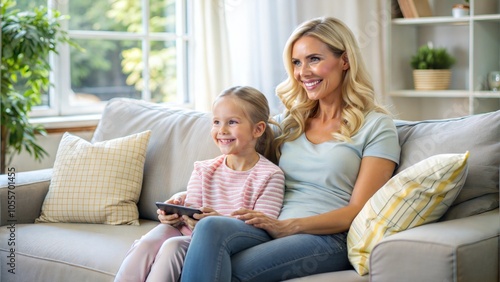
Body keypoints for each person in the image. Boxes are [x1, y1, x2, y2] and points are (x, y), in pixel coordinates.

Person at [179, 17, 401, 281]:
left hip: (327, 238)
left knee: (226, 268)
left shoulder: (377, 126)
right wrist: (185, 200)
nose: (302, 72)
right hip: (269, 227)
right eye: (296, 62)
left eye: (314, 59)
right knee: (209, 228)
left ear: (345, 61)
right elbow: (242, 168)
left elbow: (359, 209)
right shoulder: (290, 122)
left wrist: (290, 226)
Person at [114, 86, 285, 282]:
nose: (222, 130)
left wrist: (220, 220)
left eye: (232, 122)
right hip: (187, 232)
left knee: (173, 246)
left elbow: (263, 228)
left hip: (214, 243)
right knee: (149, 241)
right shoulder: (203, 169)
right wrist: (174, 214)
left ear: (258, 129)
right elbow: (191, 212)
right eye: (216, 122)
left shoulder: (270, 175)